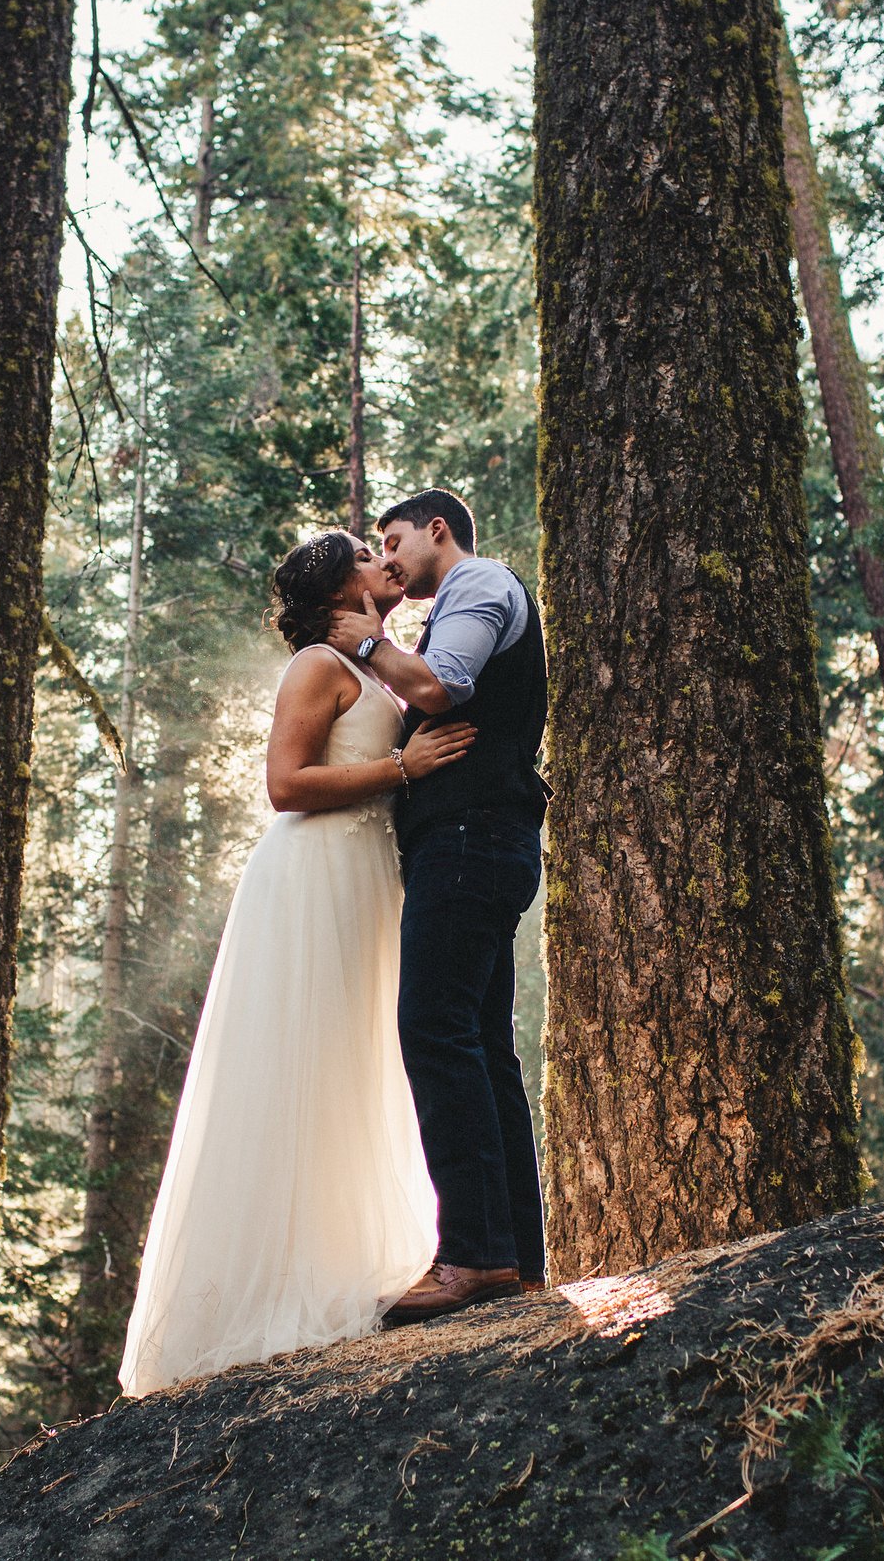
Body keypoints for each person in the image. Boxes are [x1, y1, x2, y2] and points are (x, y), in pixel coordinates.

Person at [118, 532, 479, 1395]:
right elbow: (284, 782)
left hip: (365, 876)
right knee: (302, 1061)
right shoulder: (319, 665)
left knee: (356, 1062)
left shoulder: (379, 659)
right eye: (365, 550)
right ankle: (269, 1294)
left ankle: (350, 1258)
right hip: (312, 872)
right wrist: (402, 764)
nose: (382, 555)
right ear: (336, 586)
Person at [326, 489, 549, 1325]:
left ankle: (473, 1257)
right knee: (484, 1046)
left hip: (470, 836)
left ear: (438, 531)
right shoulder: (460, 598)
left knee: (434, 1026)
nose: (388, 558)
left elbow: (442, 684)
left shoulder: (480, 583)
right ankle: (514, 1257)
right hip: (474, 839)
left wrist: (369, 640)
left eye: (394, 540)